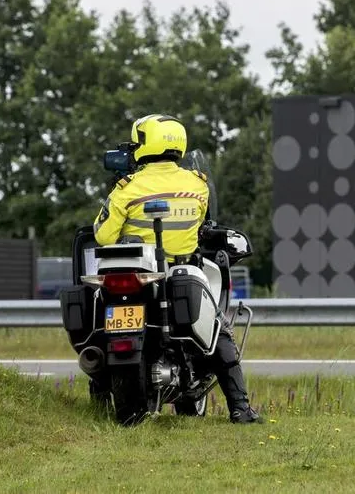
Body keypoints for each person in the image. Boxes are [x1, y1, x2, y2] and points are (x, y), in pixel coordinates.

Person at [91, 113, 264, 424]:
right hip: (180, 270)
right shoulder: (196, 185)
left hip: (134, 273)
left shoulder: (126, 187)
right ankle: (240, 409)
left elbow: (103, 235)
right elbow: (201, 227)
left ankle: (101, 397)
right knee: (217, 331)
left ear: (146, 144)